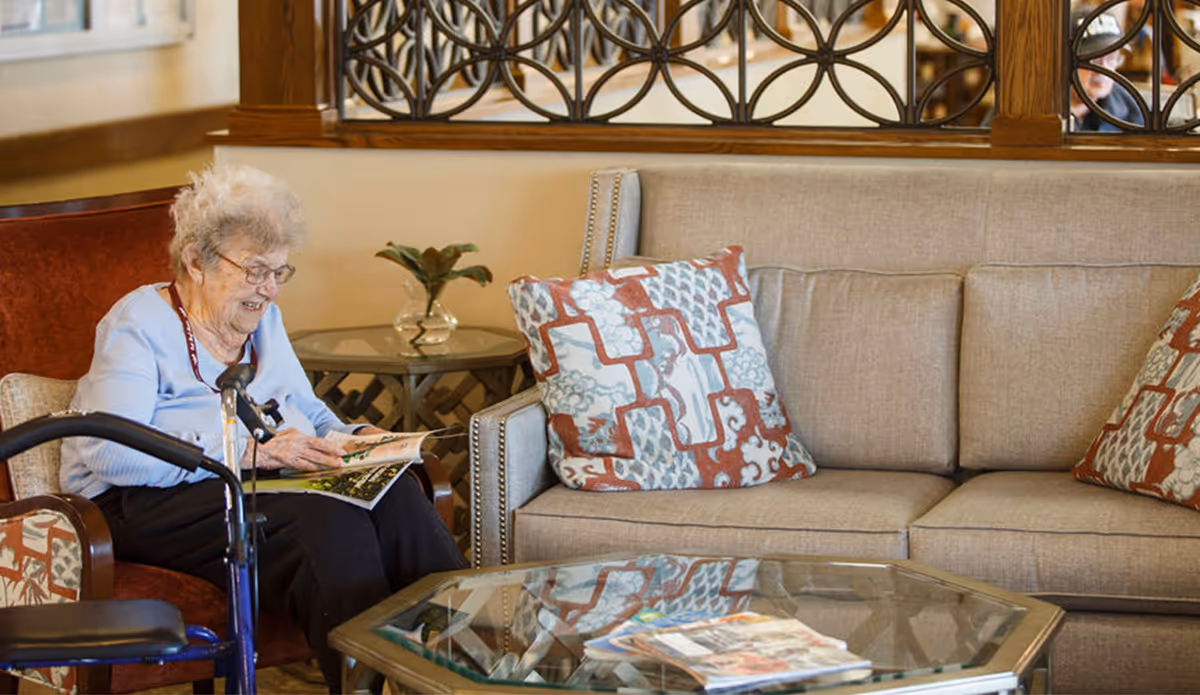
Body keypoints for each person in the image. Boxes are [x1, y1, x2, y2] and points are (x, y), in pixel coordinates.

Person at [59, 163, 467, 691]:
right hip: (142, 499)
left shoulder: (261, 321)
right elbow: (112, 453)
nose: (269, 289)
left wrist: (358, 439)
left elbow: (306, 411)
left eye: (279, 272)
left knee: (398, 496)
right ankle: (365, 686)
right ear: (196, 261)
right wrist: (254, 452)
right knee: (325, 521)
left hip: (247, 482)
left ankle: (460, 671)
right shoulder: (138, 323)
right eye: (254, 270)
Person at [1070, 7, 1145, 132]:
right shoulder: (1038, 112)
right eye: (1093, 60)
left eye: (1112, 58)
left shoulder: (1130, 110)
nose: (1103, 69)